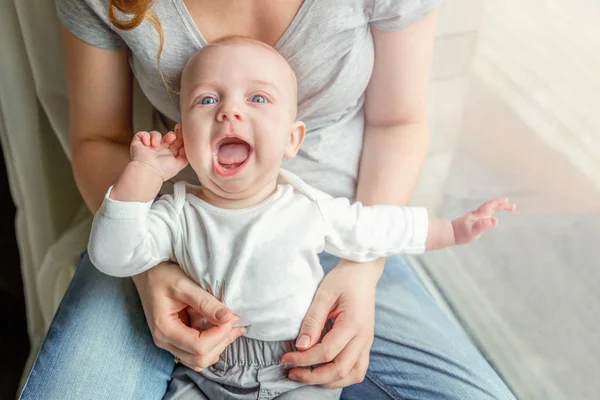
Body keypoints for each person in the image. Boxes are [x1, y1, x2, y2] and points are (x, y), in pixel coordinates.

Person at [20, 1, 519, 399]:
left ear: (293, 138)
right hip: (170, 259)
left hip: (343, 247)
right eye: (207, 100)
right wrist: (150, 271)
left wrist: (365, 268)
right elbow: (101, 145)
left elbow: (397, 140)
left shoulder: (317, 212)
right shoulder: (175, 217)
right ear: (180, 133)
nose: (230, 114)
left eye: (257, 99)